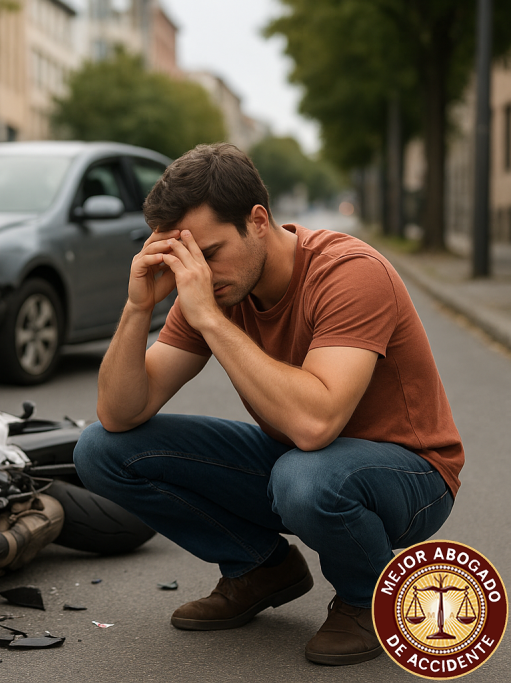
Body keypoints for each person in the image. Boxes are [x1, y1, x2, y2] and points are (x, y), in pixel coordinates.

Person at [73, 143, 462, 666]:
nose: (201, 275)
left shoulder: (349, 273)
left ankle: (367, 599)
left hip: (411, 475)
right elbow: (120, 413)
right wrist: (138, 304)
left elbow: (314, 424)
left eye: (209, 254)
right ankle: (259, 568)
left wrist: (208, 318)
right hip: (300, 462)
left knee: (305, 477)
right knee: (100, 449)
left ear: (257, 221)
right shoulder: (220, 286)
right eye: (189, 260)